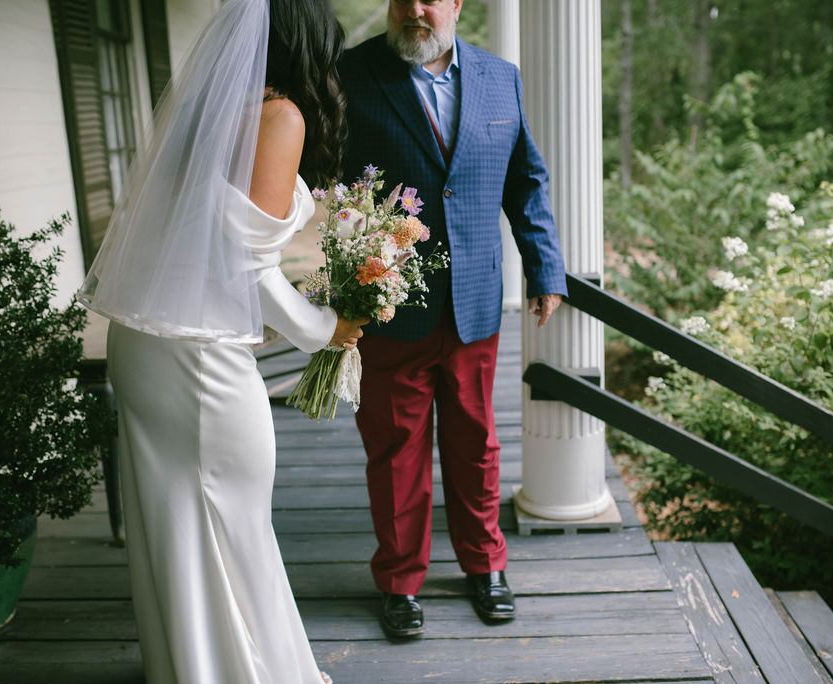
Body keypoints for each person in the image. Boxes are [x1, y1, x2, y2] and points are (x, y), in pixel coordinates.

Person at [77, 0, 361, 681]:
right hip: (196, 353)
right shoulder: (278, 115)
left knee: (175, 519)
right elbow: (248, 266)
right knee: (233, 518)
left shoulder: (204, 120)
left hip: (145, 340)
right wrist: (328, 330)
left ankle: (193, 667)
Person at [339, 0, 568, 639]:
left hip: (474, 302)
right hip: (388, 304)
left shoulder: (501, 77)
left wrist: (544, 268)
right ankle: (400, 581)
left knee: (476, 442)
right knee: (395, 451)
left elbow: (526, 181)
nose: (418, 8)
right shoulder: (351, 74)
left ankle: (485, 567)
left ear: (457, 5)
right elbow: (321, 178)